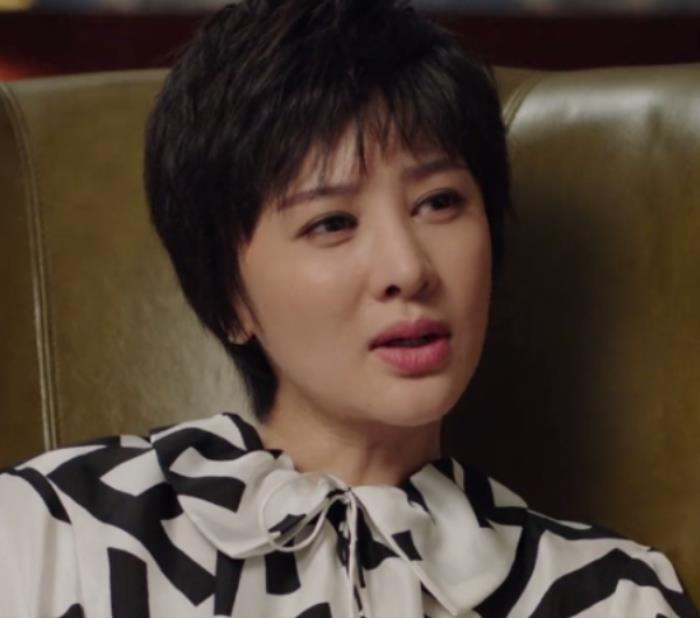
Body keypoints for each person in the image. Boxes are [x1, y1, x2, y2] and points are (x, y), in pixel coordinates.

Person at [0, 1, 697, 616]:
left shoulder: (610, 596)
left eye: (439, 202)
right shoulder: (55, 533)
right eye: (331, 222)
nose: (407, 269)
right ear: (229, 296)